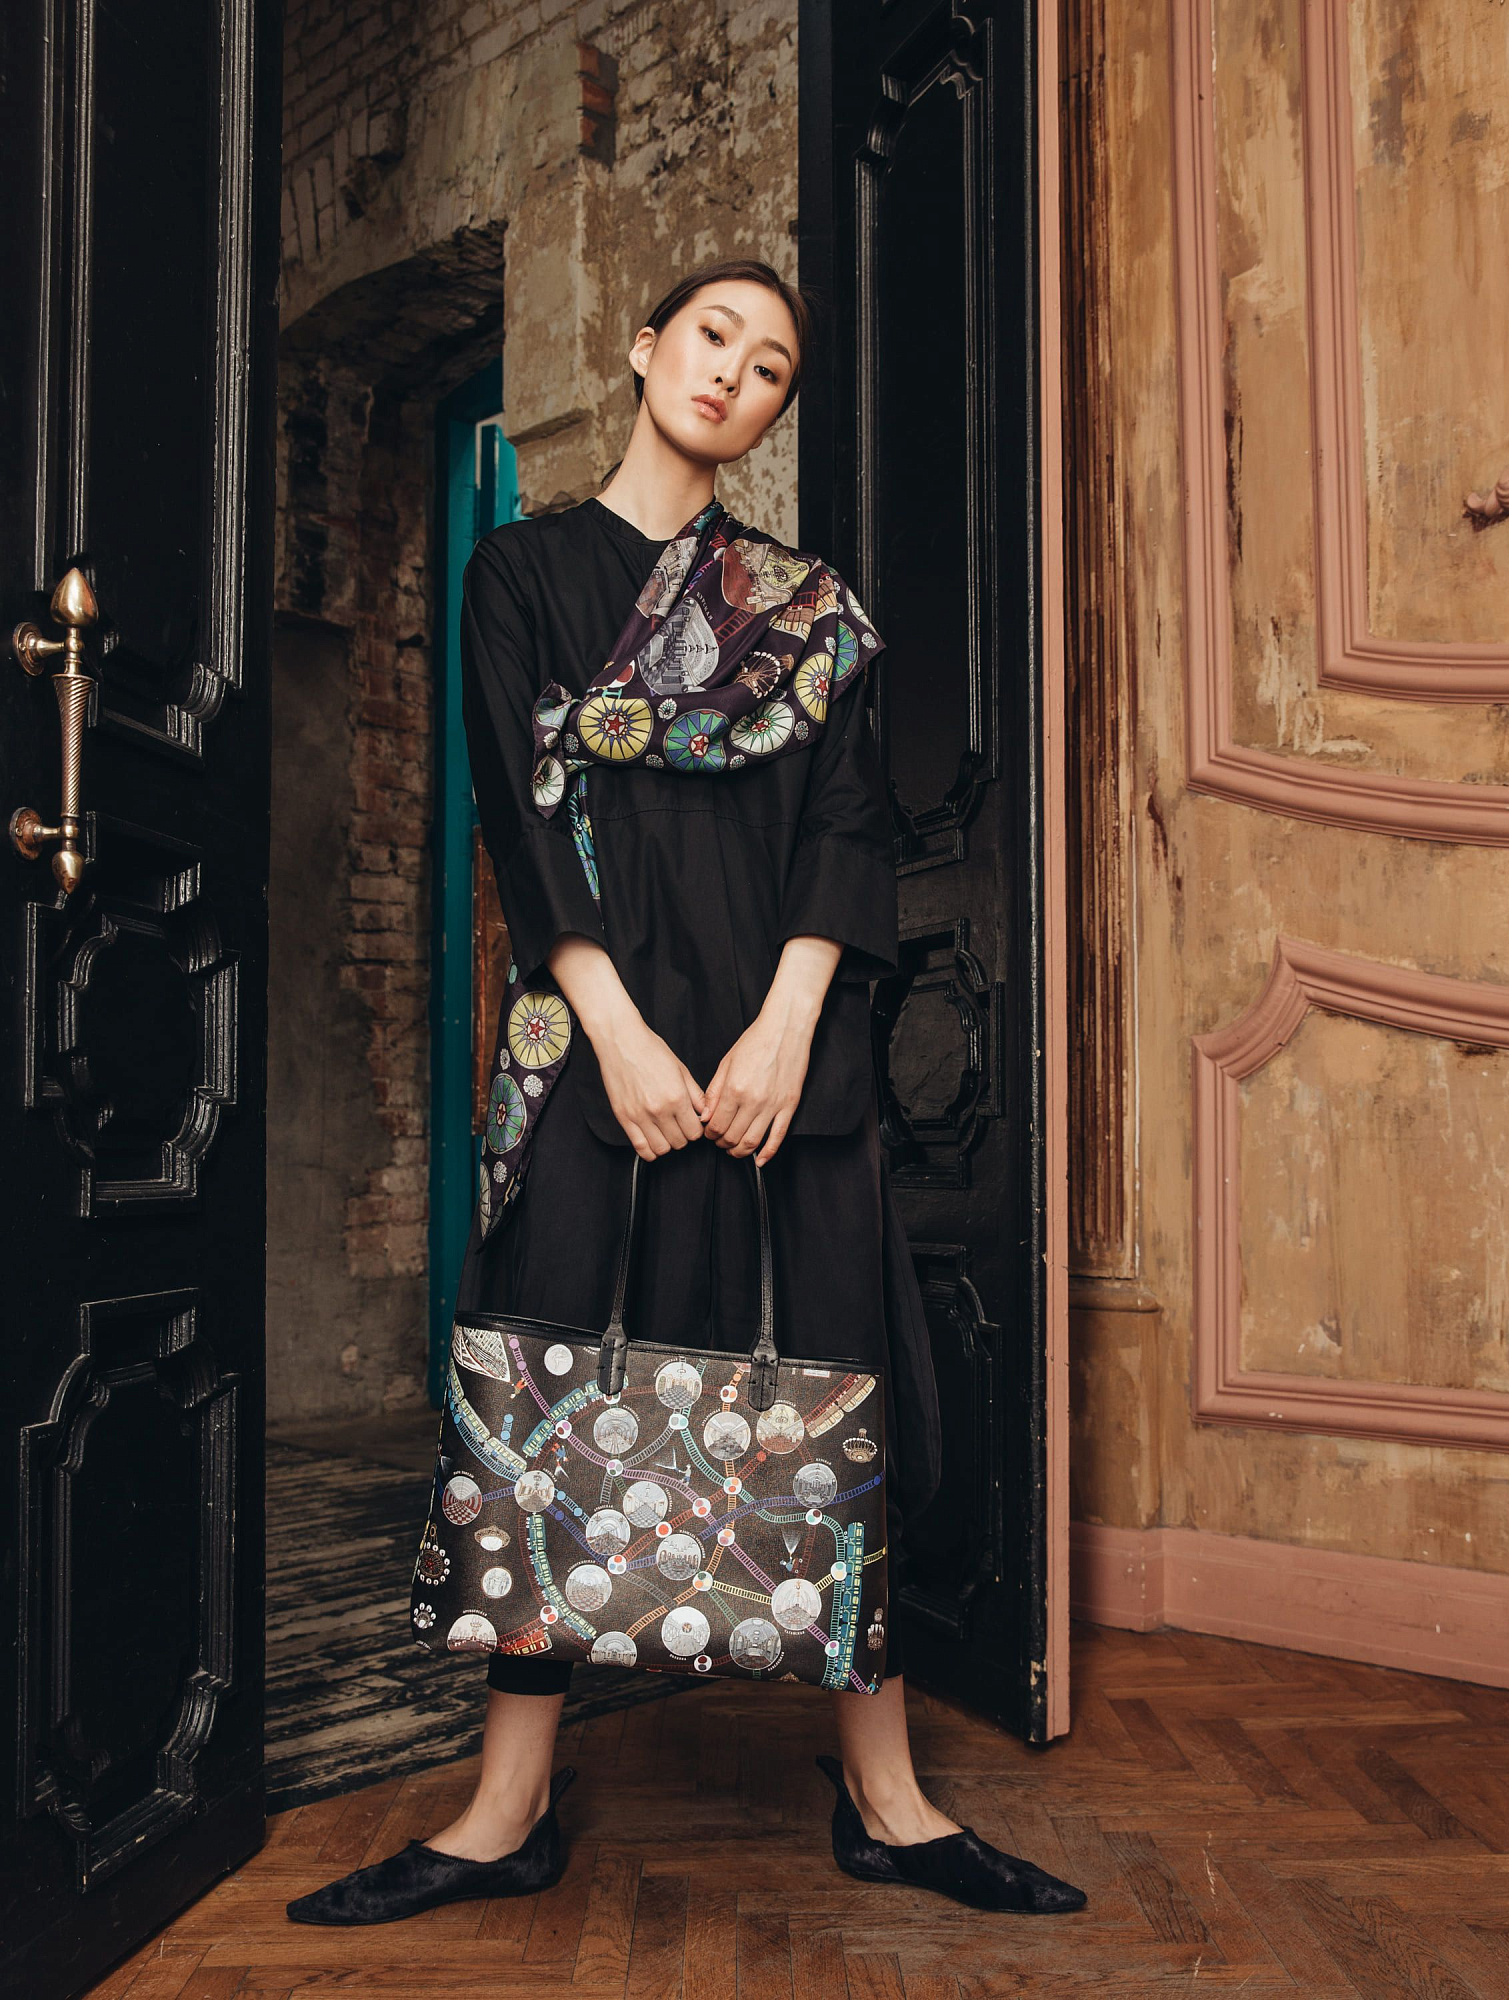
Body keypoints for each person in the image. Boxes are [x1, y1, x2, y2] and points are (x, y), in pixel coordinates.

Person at [286, 260, 1086, 1925]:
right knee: (544, 1377)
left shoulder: (810, 607)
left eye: (770, 363)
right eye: (714, 335)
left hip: (780, 1048)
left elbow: (848, 825)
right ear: (650, 348)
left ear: (778, 408)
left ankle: (888, 1798)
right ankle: (507, 1805)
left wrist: (790, 1026)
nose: (734, 371)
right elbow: (516, 807)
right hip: (602, 1035)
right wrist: (616, 1033)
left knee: (836, 1379)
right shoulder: (520, 572)